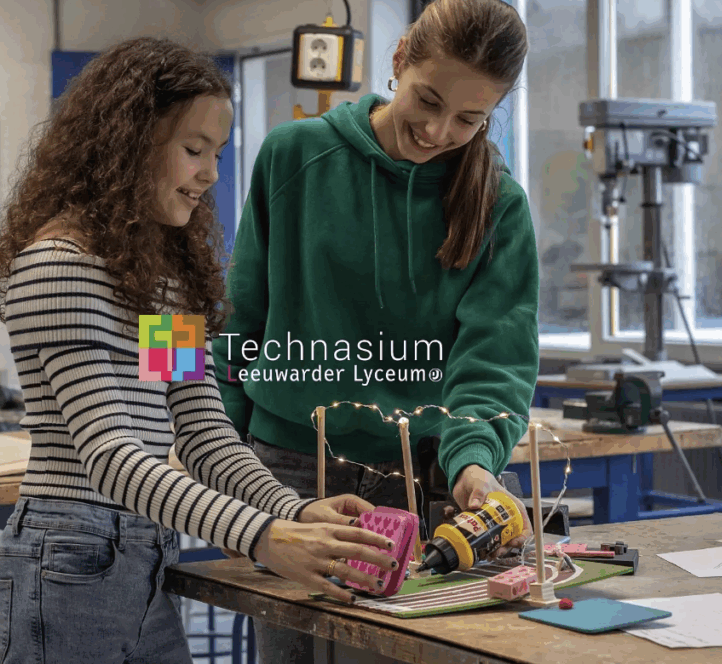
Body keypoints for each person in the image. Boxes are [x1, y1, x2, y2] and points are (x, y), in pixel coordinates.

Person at [0, 37, 403, 664]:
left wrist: (297, 512)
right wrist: (263, 536)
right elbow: (111, 457)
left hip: (142, 558)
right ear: (127, 145)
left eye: (216, 154)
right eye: (192, 150)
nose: (209, 174)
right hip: (66, 564)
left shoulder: (160, 285)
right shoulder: (59, 267)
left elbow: (203, 432)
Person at [212, 0, 540, 661]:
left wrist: (475, 464)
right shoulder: (292, 155)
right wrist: (216, 456)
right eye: (428, 100)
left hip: (423, 482)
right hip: (286, 473)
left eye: (469, 119)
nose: (439, 130)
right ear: (398, 62)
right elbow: (235, 317)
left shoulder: (498, 201)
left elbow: (494, 359)